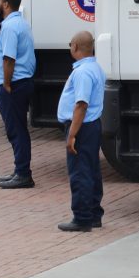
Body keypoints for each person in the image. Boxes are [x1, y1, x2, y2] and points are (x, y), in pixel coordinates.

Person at [56, 31, 105, 232]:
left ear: (75, 46)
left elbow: (81, 105)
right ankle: (94, 213)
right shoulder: (95, 67)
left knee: (80, 172)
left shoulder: (83, 72)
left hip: (82, 126)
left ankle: (82, 217)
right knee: (92, 169)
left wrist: (72, 134)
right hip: (92, 126)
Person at [0, 0, 37, 189]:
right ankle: (20, 170)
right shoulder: (21, 23)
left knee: (16, 130)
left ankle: (23, 173)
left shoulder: (10, 27)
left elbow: (9, 58)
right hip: (22, 82)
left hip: (14, 84)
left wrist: (7, 84)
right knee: (18, 129)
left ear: (6, 4)